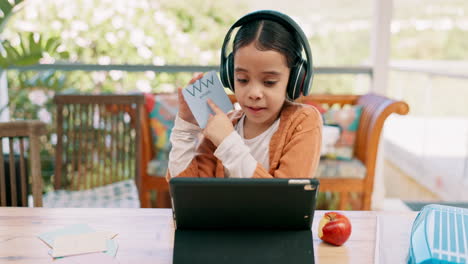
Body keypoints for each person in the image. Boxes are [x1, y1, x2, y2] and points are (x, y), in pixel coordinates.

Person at [167, 10, 322, 179]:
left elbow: (284, 200)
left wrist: (227, 143)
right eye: (242, 79)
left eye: (269, 82)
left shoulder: (303, 121)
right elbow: (189, 195)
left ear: (295, 80)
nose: (254, 93)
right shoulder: (223, 125)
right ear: (229, 76)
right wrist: (185, 129)